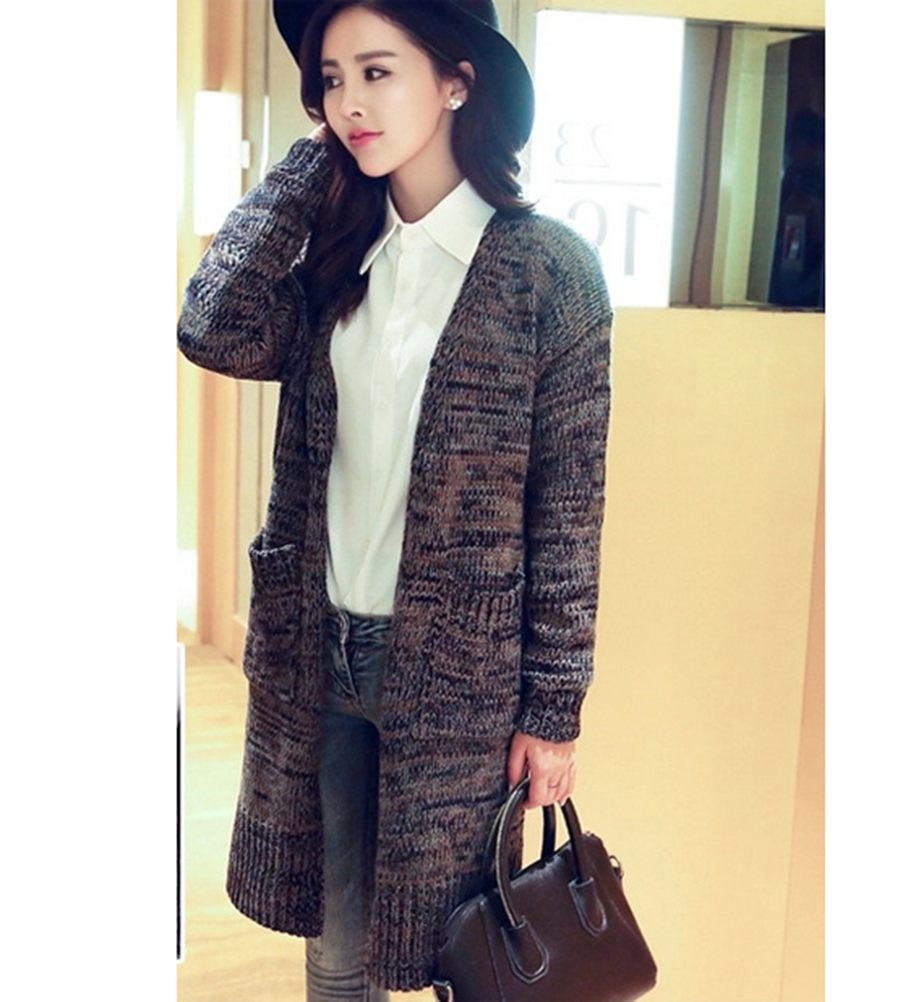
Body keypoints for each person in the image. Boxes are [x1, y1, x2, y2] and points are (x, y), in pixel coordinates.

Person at [177, 1, 612, 998]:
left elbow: (568, 513)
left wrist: (554, 710)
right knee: (337, 957)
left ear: (457, 81)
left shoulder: (548, 273)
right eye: (331, 80)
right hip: (315, 648)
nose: (350, 104)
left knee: (468, 954)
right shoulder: (335, 263)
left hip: (458, 676)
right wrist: (308, 167)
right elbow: (211, 323)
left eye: (377, 72)